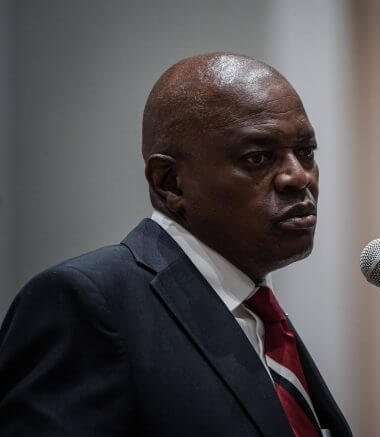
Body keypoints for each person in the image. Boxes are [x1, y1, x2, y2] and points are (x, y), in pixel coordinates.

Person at [0, 53, 351, 436]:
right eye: (257, 157)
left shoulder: (258, 311)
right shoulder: (86, 304)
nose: (298, 177)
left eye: (306, 152)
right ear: (169, 182)